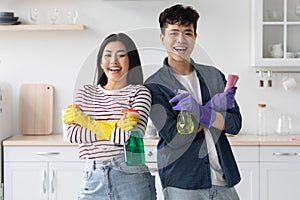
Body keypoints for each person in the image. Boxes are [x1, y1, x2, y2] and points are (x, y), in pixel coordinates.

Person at [144, 4, 242, 200]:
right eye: (173, 33)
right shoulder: (155, 86)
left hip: (223, 179)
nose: (181, 40)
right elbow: (175, 138)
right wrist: (212, 110)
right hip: (183, 182)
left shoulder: (214, 76)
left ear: (195, 37)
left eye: (187, 32)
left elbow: (234, 124)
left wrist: (200, 112)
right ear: (162, 38)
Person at [63, 33, 156, 200]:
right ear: (100, 61)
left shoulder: (139, 92)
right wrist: (114, 126)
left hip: (131, 176)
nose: (113, 61)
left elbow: (130, 136)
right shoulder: (85, 92)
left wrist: (87, 122)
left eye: (121, 55)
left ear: (131, 60)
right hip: (93, 177)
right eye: (108, 55)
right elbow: (73, 134)